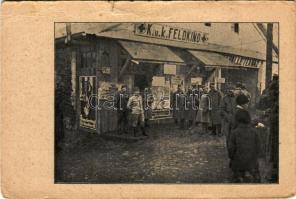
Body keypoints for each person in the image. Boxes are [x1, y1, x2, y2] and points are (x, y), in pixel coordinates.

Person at [228, 109, 261, 183]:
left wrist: (232, 158)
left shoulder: (234, 133)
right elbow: (258, 148)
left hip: (238, 162)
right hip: (252, 162)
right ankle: (255, 177)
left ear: (237, 120)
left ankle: (238, 177)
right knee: (255, 169)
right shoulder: (255, 132)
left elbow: (231, 150)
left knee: (234, 169)